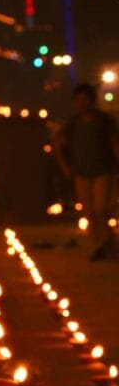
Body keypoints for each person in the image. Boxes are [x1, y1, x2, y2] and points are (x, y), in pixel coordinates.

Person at [58, 83, 119, 261]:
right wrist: (65, 166)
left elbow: (114, 144)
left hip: (103, 170)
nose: (81, 103)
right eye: (78, 100)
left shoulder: (105, 121)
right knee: (89, 212)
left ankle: (107, 242)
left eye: (84, 99)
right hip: (81, 172)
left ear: (92, 100)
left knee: (101, 210)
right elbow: (60, 145)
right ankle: (100, 245)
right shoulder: (73, 123)